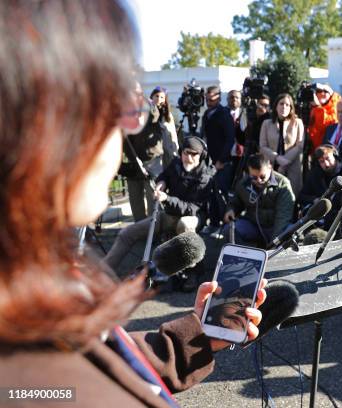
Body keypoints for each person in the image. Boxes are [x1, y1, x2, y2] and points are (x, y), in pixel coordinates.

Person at [0, 1, 265, 406]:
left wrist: (195, 338)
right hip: (162, 221)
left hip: (182, 223)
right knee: (129, 232)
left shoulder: (27, 300)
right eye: (116, 104)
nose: (130, 124)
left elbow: (96, 361)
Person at [104, 137, 216, 282]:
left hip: (192, 218)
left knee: (184, 224)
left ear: (201, 156)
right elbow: (165, 175)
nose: (189, 158)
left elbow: (191, 209)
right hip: (169, 215)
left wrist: (167, 199)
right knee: (127, 233)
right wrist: (161, 182)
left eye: (194, 154)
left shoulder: (205, 176)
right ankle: (102, 271)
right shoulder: (176, 163)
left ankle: (191, 271)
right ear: (181, 152)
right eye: (186, 153)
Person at [119, 83, 172, 222]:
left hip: (152, 160)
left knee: (153, 196)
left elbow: (153, 116)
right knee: (135, 199)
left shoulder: (149, 106)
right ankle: (140, 229)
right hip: (133, 160)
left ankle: (154, 230)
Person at [223, 154, 295, 247]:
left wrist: (273, 243)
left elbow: (283, 217)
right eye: (254, 177)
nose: (259, 181)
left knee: (290, 233)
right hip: (254, 225)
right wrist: (231, 210)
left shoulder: (283, 184)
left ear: (270, 168)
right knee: (229, 230)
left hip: (275, 227)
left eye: (262, 176)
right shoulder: (243, 183)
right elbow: (235, 201)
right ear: (249, 171)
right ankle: (246, 257)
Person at [299, 144, 342, 236]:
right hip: (319, 223)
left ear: (335, 156)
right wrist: (315, 200)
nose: (326, 164)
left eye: (328, 158)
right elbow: (302, 196)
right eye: (322, 161)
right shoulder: (316, 173)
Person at [259, 94, 304, 196]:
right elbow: (262, 146)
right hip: (271, 165)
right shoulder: (266, 123)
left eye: (287, 105)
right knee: (271, 196)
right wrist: (277, 158)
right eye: (281, 104)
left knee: (291, 196)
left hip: (292, 165)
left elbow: (299, 145)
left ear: (291, 108)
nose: (284, 107)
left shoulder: (297, 123)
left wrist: (285, 161)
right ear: (276, 106)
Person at [150, 86, 180, 168]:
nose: (158, 99)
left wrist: (175, 150)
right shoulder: (147, 112)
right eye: (156, 96)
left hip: (167, 148)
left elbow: (172, 134)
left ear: (165, 100)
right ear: (152, 96)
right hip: (153, 150)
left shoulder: (167, 115)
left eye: (162, 97)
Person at [307, 84, 341, 152]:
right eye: (318, 91)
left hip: (327, 150)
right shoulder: (312, 107)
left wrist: (317, 107)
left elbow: (325, 124)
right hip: (314, 149)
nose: (322, 93)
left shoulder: (336, 107)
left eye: (325, 91)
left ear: (331, 94)